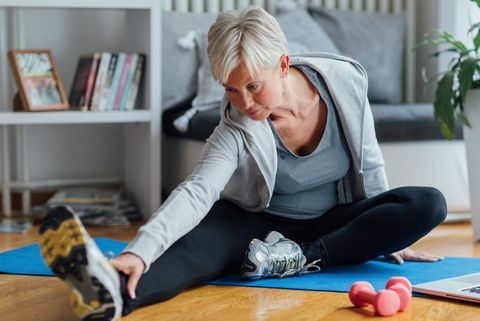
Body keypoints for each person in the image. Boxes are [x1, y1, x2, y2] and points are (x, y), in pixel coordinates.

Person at [39, 6, 447, 321]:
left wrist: (390, 236)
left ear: (283, 65)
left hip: (333, 219)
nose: (245, 102)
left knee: (429, 203)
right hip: (255, 224)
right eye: (231, 88)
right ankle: (109, 292)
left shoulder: (345, 81)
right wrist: (140, 252)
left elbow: (369, 160)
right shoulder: (236, 124)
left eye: (253, 85)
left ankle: (300, 257)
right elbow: (196, 190)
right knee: (190, 252)